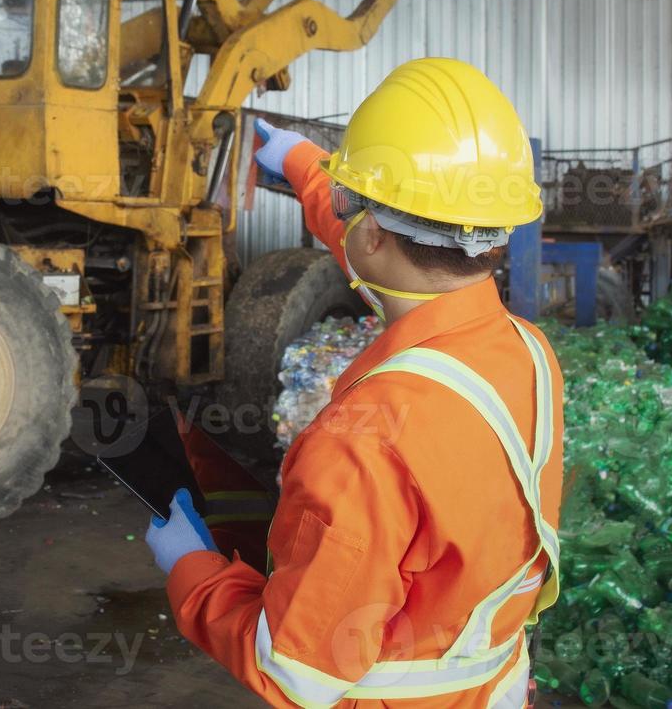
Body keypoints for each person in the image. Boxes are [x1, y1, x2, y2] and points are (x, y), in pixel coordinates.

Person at [143, 58, 564, 708]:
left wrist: (191, 573)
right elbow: (389, 249)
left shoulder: (362, 443)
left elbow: (292, 671)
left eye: (349, 204)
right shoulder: (526, 354)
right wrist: (303, 164)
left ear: (368, 234)